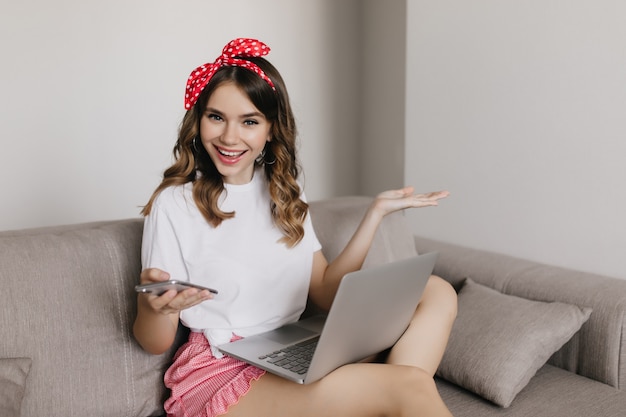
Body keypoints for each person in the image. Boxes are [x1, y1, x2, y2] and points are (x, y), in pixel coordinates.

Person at [133, 37, 457, 417]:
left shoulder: (283, 193)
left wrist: (375, 215)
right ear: (199, 119)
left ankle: (388, 400)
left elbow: (323, 293)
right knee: (411, 384)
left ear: (270, 130)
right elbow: (154, 342)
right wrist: (155, 309)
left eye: (249, 121)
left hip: (292, 349)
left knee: (436, 290)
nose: (229, 137)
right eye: (216, 117)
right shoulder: (175, 203)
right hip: (221, 369)